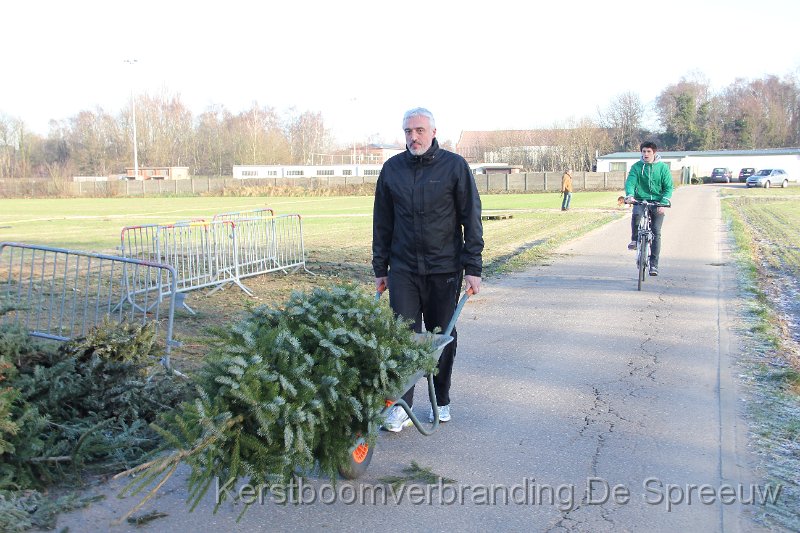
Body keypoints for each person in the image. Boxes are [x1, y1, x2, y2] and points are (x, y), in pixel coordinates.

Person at [372, 107, 484, 432]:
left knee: (441, 337)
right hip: (403, 270)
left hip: (444, 269)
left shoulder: (454, 167)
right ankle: (400, 406)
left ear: (434, 132)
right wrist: (381, 269)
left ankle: (442, 398)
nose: (413, 137)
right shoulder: (392, 170)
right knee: (402, 337)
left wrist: (473, 268)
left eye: (419, 130)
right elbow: (382, 223)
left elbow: (470, 219)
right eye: (408, 131)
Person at [624, 141, 673, 276]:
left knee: (656, 232)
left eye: (648, 152)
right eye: (644, 151)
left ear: (654, 153)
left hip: (658, 201)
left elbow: (668, 187)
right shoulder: (637, 167)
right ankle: (634, 239)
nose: (646, 154)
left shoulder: (663, 168)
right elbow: (630, 182)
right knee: (636, 214)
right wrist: (630, 195)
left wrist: (664, 202)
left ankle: (653, 265)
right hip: (640, 199)